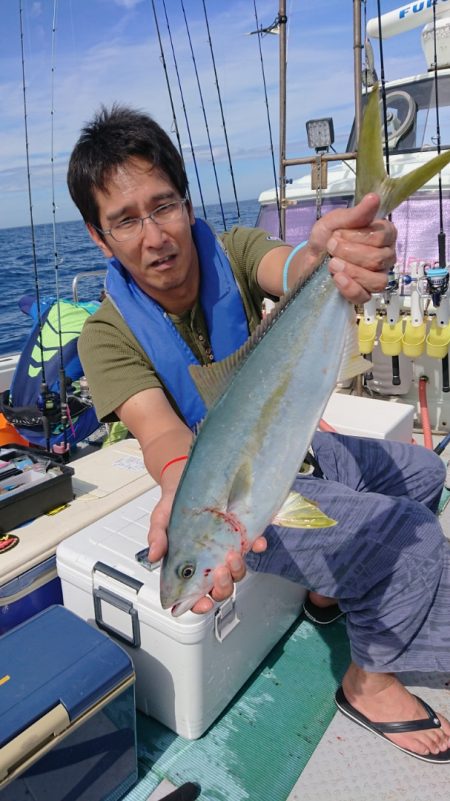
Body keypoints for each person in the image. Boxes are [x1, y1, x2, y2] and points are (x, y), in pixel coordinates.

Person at [68, 104, 450, 763]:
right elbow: (162, 436)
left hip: (290, 450)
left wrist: (335, 252)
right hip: (245, 500)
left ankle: (327, 591)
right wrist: (183, 486)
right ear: (99, 237)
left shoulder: (233, 249)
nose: (155, 236)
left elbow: (297, 265)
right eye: (126, 220)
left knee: (428, 473)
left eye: (163, 206)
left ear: (186, 204)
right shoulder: (104, 337)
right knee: (411, 538)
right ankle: (367, 679)